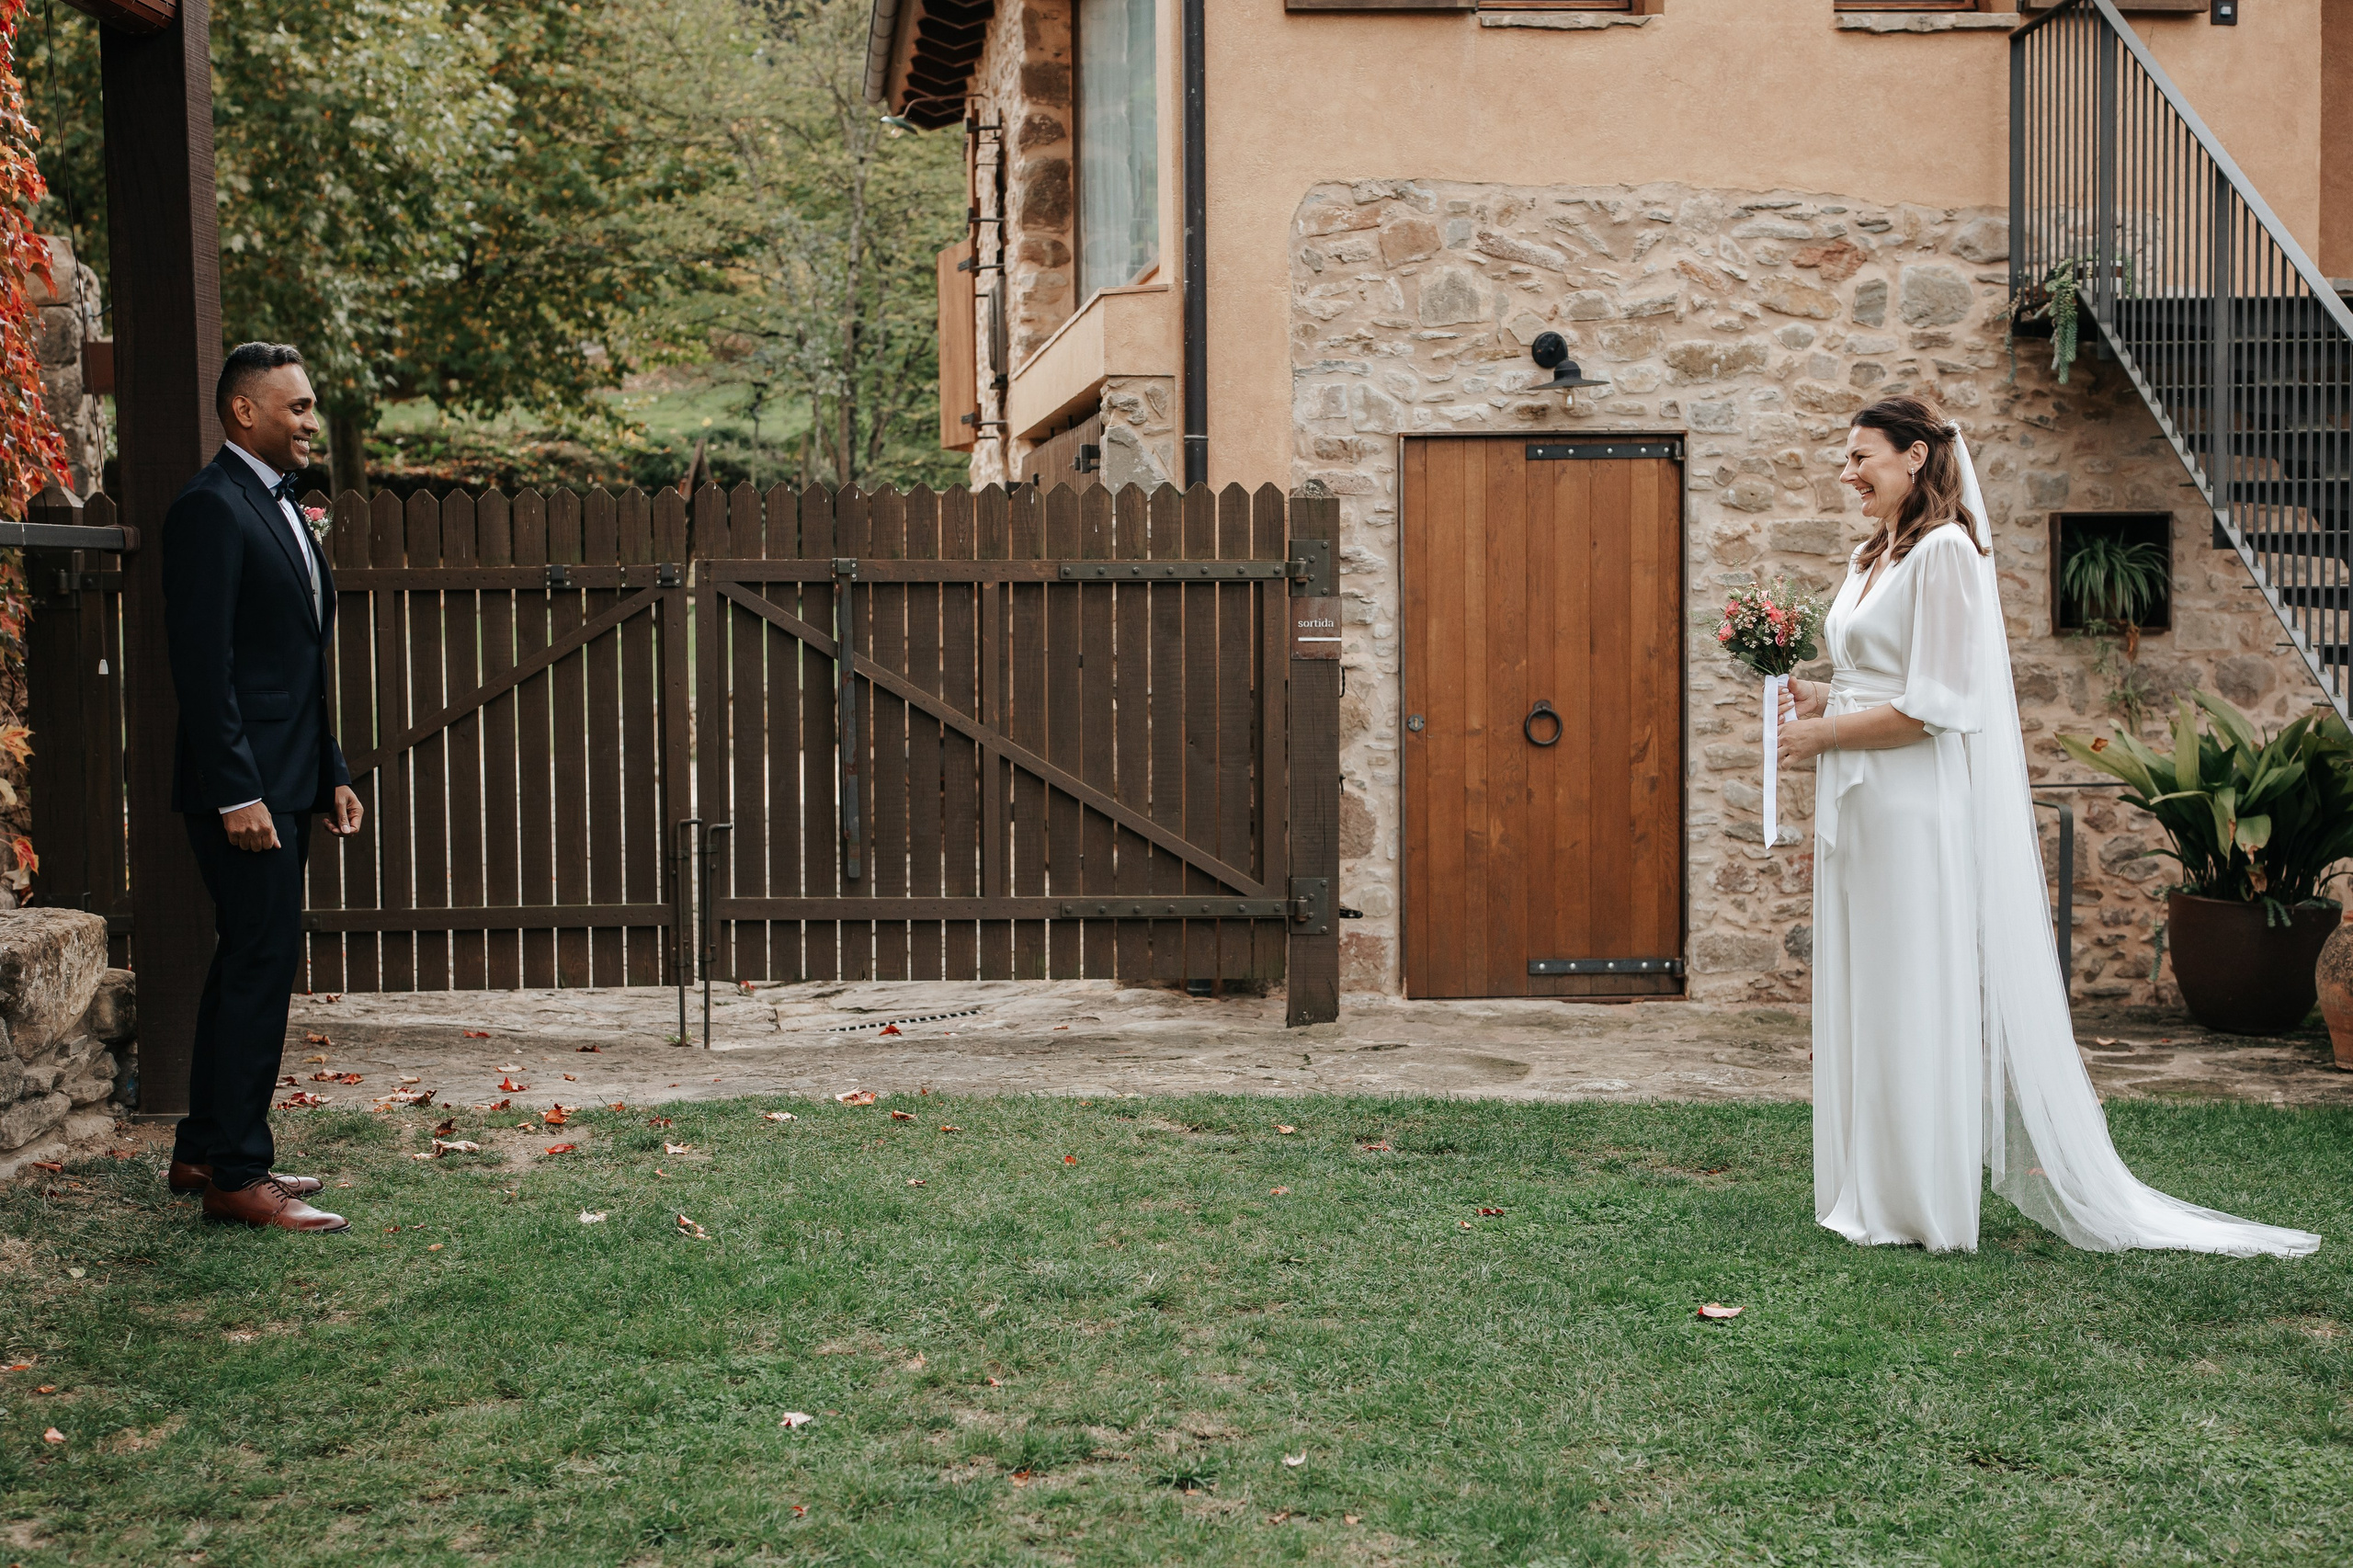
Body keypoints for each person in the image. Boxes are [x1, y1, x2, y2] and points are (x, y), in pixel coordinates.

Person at [1775, 394, 2317, 1257]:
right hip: (1861, 801)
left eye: (1861, 457)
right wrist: (1812, 695)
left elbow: (1938, 706)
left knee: (1913, 985)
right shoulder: (1871, 554)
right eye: (1846, 459)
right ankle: (1864, 1186)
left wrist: (1825, 732)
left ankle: (1919, 1202)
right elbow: (1873, 677)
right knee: (1868, 984)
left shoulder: (1947, 554)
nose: (1848, 475)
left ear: (1916, 458)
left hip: (1913, 804)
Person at [161, 343, 366, 1233]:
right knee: (259, 965)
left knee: (245, 959)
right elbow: (204, 670)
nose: (310, 421)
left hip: (289, 777)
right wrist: (238, 791)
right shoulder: (210, 507)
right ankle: (239, 1176)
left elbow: (292, 662)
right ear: (245, 413)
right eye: (298, 407)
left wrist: (329, 769)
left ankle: (205, 1143)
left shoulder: (279, 504)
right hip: (241, 792)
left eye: (312, 406)